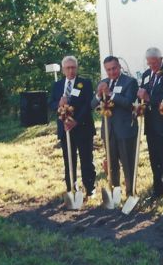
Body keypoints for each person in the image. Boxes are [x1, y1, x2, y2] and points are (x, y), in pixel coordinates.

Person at [91, 56, 138, 197]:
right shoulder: (103, 82)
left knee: (128, 165)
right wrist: (99, 95)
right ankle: (115, 192)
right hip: (108, 131)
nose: (112, 72)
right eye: (108, 69)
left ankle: (131, 194)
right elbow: (92, 105)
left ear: (119, 67)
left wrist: (110, 94)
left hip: (125, 130)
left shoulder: (130, 82)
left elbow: (129, 103)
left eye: (114, 68)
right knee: (112, 165)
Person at [49, 55, 96, 197]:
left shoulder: (85, 83)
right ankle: (71, 188)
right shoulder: (57, 85)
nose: (71, 70)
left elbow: (88, 105)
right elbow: (50, 103)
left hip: (82, 127)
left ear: (77, 68)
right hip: (65, 130)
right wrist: (58, 103)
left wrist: (76, 121)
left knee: (86, 159)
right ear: (63, 69)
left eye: (73, 67)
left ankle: (90, 188)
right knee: (69, 160)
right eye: (68, 68)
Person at [137, 47, 163, 198]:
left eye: (154, 63)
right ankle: (158, 188)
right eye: (149, 64)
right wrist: (140, 102)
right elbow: (142, 95)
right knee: (154, 157)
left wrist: (148, 98)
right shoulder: (146, 74)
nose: (152, 66)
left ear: (161, 59)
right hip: (150, 123)